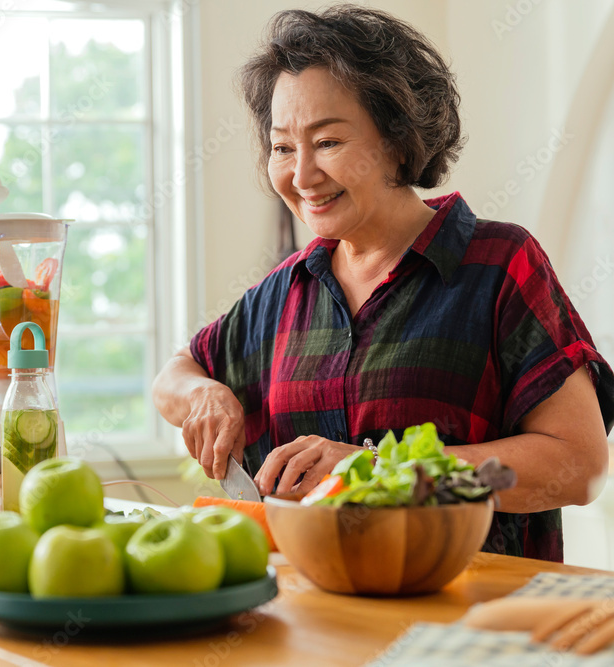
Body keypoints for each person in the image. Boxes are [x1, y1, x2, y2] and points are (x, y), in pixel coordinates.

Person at [153, 4, 614, 561]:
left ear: (397, 139)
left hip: (470, 624)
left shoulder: (498, 264)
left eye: (327, 142)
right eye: (281, 147)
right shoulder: (286, 291)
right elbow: (174, 375)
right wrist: (205, 395)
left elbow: (578, 467)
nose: (301, 176)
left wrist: (375, 469)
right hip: (314, 623)